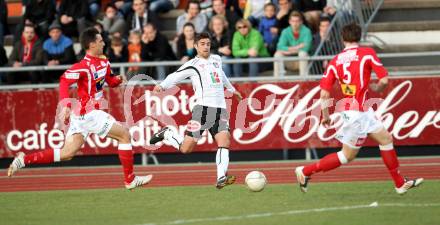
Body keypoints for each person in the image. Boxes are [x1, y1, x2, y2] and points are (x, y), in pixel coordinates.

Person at [7, 28, 152, 190]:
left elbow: (109, 81)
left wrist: (117, 80)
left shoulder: (104, 61)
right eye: (100, 40)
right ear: (91, 45)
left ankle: (22, 160)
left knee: (67, 153)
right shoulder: (83, 66)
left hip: (82, 116)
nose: (103, 42)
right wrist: (66, 106)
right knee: (125, 135)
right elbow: (63, 81)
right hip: (89, 113)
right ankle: (130, 179)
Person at [294, 23, 424, 195]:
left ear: (342, 38)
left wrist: (325, 116)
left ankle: (400, 183)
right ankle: (305, 171)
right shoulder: (367, 54)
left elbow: (324, 94)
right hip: (357, 114)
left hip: (356, 111)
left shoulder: (335, 61)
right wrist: (378, 88)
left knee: (385, 139)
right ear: (360, 37)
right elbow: (384, 80)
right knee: (346, 156)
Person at [149, 32, 243, 189]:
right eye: (202, 44)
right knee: (186, 148)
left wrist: (232, 90)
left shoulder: (217, 59)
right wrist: (162, 85)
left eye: (208, 44)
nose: (206, 47)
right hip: (202, 110)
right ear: (196, 46)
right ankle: (167, 134)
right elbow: (175, 75)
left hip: (220, 109)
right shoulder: (193, 64)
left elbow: (222, 75)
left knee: (224, 140)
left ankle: (221, 177)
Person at [273, 11, 312, 76]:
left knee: (303, 53)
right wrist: (296, 47)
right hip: (289, 59)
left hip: (302, 60)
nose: (295, 23)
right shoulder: (285, 31)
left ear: (301, 22)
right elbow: (279, 47)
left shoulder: (306, 31)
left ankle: (304, 79)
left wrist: (287, 50)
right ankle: (278, 80)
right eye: (293, 21)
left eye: (297, 21)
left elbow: (306, 47)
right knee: (277, 54)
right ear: (289, 22)